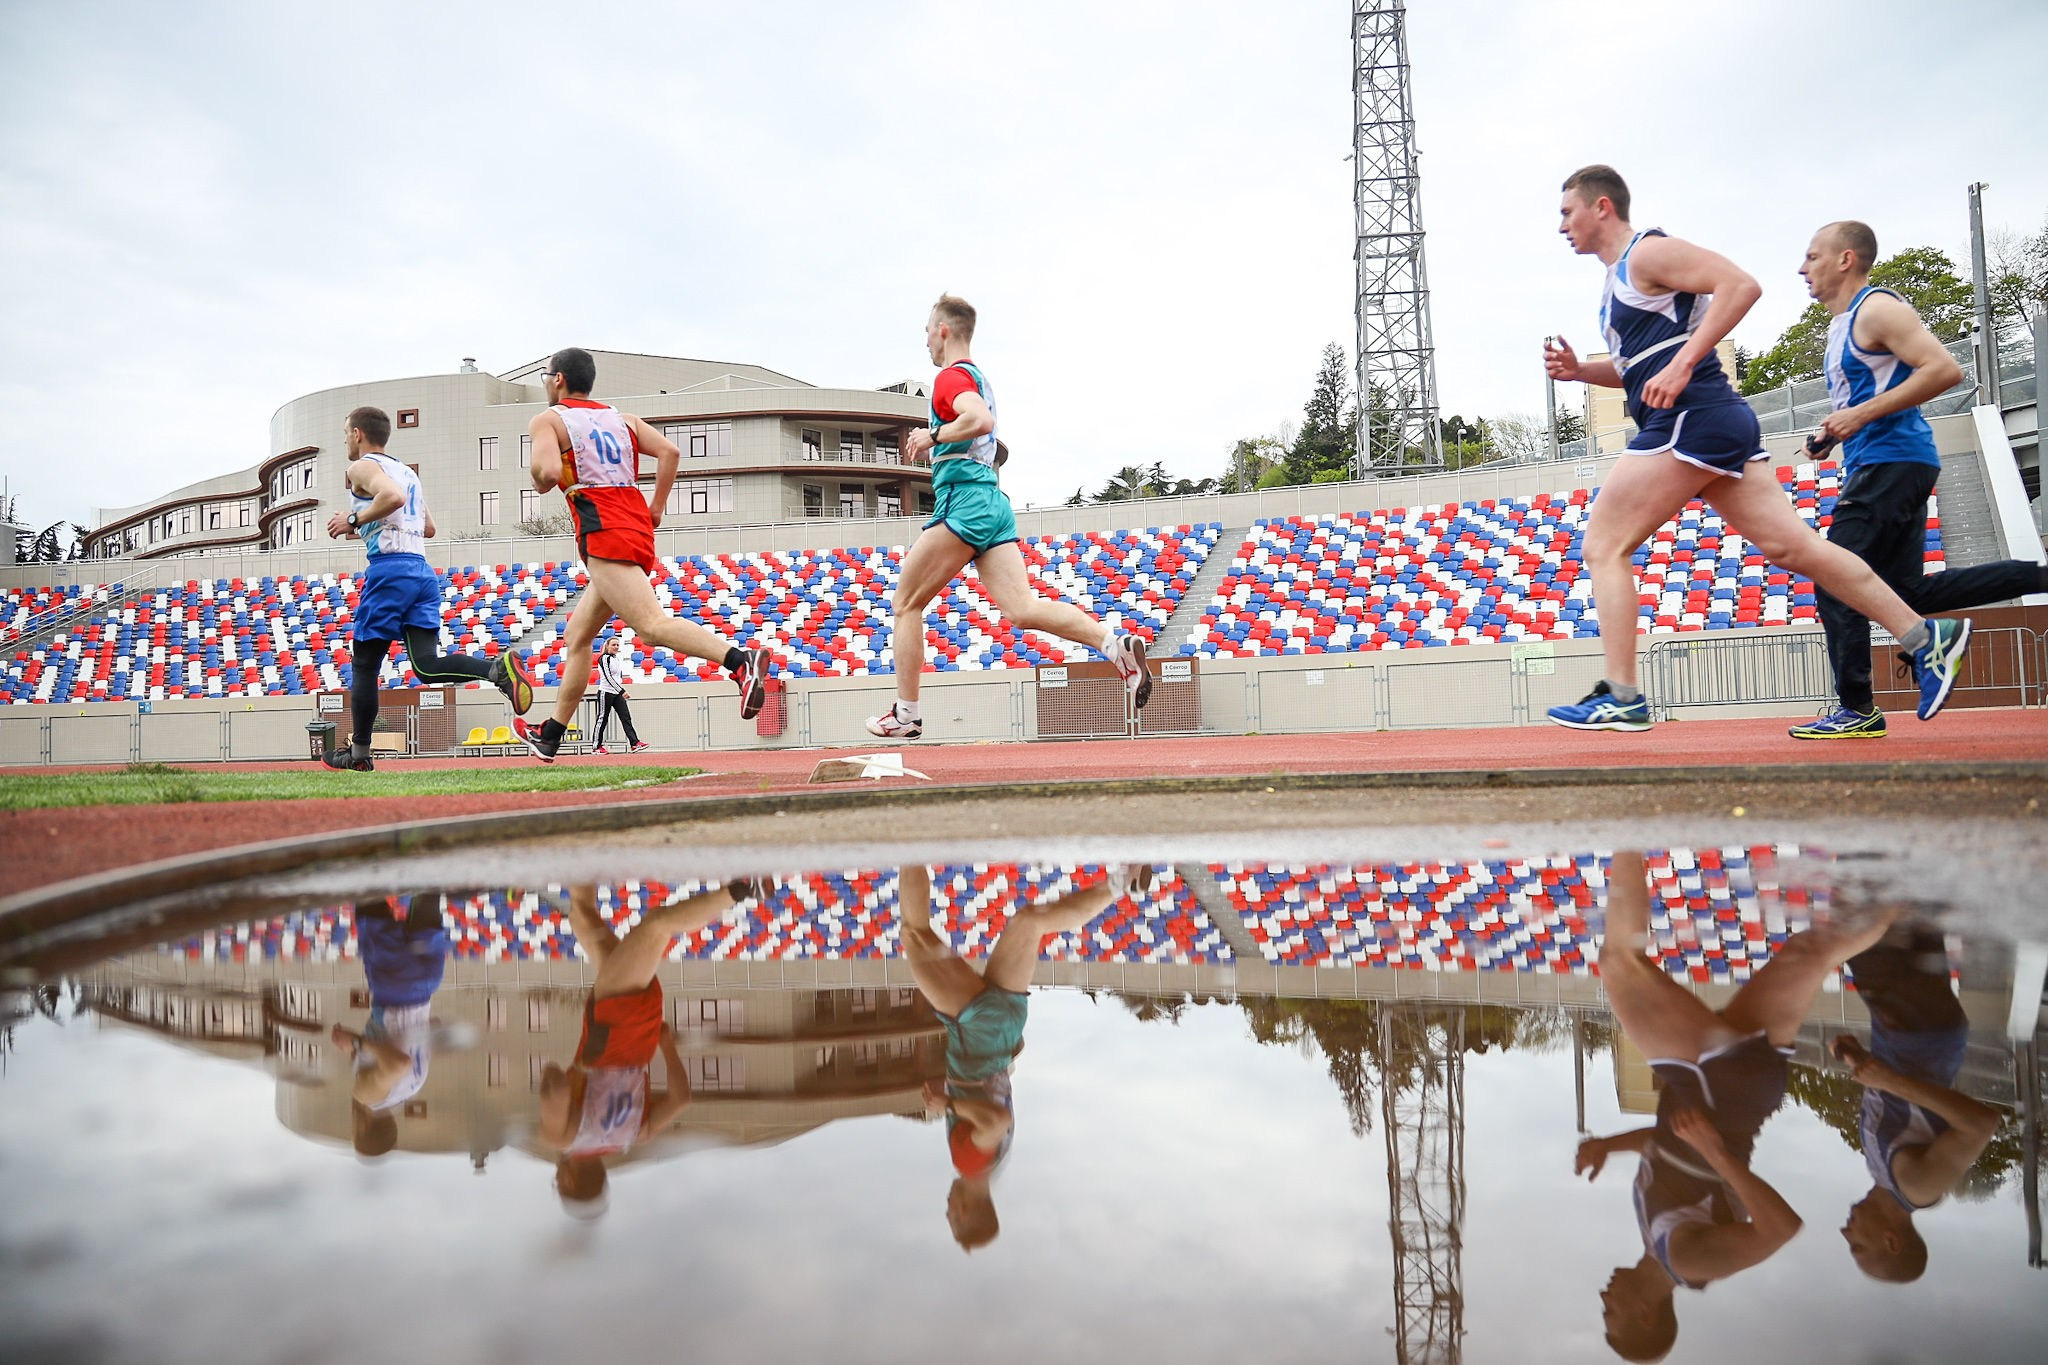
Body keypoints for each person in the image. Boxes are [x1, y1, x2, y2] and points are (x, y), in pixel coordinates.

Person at [1541, 166, 1971, 733]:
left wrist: (1685, 360)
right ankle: (1924, 635)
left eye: (1567, 212)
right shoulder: (1620, 279)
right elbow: (1638, 369)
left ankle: (1622, 694)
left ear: (1601, 207)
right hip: (1712, 423)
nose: (1561, 225)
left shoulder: (1647, 253)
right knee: (1793, 547)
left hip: (1690, 419)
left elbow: (1741, 285)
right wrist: (1582, 373)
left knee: (1603, 545)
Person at [1573, 851, 1894, 1360]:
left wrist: (1609, 1146)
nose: (1603, 1299)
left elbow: (1667, 1147)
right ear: (1644, 1315)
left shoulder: (1656, 1241)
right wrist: (1717, 1154)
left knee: (1810, 952)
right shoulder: (1690, 1262)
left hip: (1742, 1091)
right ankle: (1627, 829)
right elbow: (1780, 1229)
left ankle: (1907, 879)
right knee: (1619, 963)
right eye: (1610, 1311)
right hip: (1715, 1089)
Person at [1787, 220, 2048, 739]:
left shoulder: (1877, 308)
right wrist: (1835, 434)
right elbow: (1873, 396)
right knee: (1904, 593)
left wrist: (1858, 418)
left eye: (1812, 256)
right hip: (1882, 460)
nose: (1802, 268)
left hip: (1891, 461)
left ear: (1845, 260)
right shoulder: (1841, 326)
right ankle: (2039, 576)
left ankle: (1858, 709)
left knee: (1836, 579)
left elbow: (1944, 370)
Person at [866, 296, 1153, 741]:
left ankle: (906, 714)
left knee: (906, 602)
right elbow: (983, 418)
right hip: (992, 501)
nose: (924, 340)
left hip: (966, 501)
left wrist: (932, 435)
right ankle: (1115, 648)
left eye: (926, 330)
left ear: (943, 330)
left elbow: (977, 420)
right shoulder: (979, 377)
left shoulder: (949, 377)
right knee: (1022, 609)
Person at [516, 347, 769, 762]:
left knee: (650, 625)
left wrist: (543, 476)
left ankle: (741, 663)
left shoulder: (549, 419)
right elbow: (670, 452)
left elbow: (544, 475)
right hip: (633, 519)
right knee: (577, 636)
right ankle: (552, 734)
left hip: (602, 524)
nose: (546, 382)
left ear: (558, 378)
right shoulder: (622, 418)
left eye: (546, 375)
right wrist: (657, 507)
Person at [897, 860, 1147, 1249]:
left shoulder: (997, 1162)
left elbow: (997, 1118)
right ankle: (907, 840)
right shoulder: (971, 1163)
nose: (946, 1209)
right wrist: (947, 1103)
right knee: (915, 933)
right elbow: (993, 1121)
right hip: (976, 1029)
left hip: (1008, 1026)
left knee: (1030, 923)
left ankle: (1120, 885)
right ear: (965, 1213)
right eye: (951, 1217)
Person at [321, 406, 534, 771]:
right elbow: (427, 526)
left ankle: (358, 755)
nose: (344, 440)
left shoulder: (361, 467)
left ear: (357, 433)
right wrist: (365, 528)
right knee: (427, 666)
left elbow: (391, 499)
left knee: (366, 665)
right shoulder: (407, 473)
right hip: (421, 571)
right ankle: (496, 671)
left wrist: (352, 519)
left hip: (390, 571)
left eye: (345, 433)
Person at [535, 876, 761, 1214]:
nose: (556, 1176)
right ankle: (742, 890)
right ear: (569, 1180)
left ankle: (585, 854)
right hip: (612, 1019)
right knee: (657, 925)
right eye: (560, 1182)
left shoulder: (633, 1136)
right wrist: (559, 1085)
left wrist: (666, 1045)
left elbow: (681, 1098)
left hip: (641, 1028)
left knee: (582, 919)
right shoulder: (563, 1138)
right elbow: (553, 1086)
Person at [1832, 922, 2002, 1281]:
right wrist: (1887, 1077)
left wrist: (1857, 1058)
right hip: (1923, 1033)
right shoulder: (1919, 1187)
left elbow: (1899, 1100)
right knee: (1863, 916)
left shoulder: (1883, 1175)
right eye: (1857, 1246)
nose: (1846, 1234)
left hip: (1908, 1032)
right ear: (1891, 1240)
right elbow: (1981, 1124)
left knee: (1906, 910)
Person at [328, 891, 460, 1157]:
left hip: (427, 982)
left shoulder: (413, 1087)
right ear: (363, 1130)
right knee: (368, 894)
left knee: (427, 892)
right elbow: (399, 1062)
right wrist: (355, 1041)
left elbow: (431, 1029)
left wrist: (358, 1051)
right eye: (352, 1132)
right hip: (394, 985)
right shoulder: (367, 1097)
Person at [590, 633, 647, 754]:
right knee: (602, 719)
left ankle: (634, 743)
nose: (616, 647)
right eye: (613, 645)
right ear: (607, 646)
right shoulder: (604, 658)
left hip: (616, 693)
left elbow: (617, 678)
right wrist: (622, 691)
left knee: (626, 717)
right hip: (606, 692)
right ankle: (596, 746)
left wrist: (619, 691)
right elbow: (608, 677)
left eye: (617, 645)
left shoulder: (616, 659)